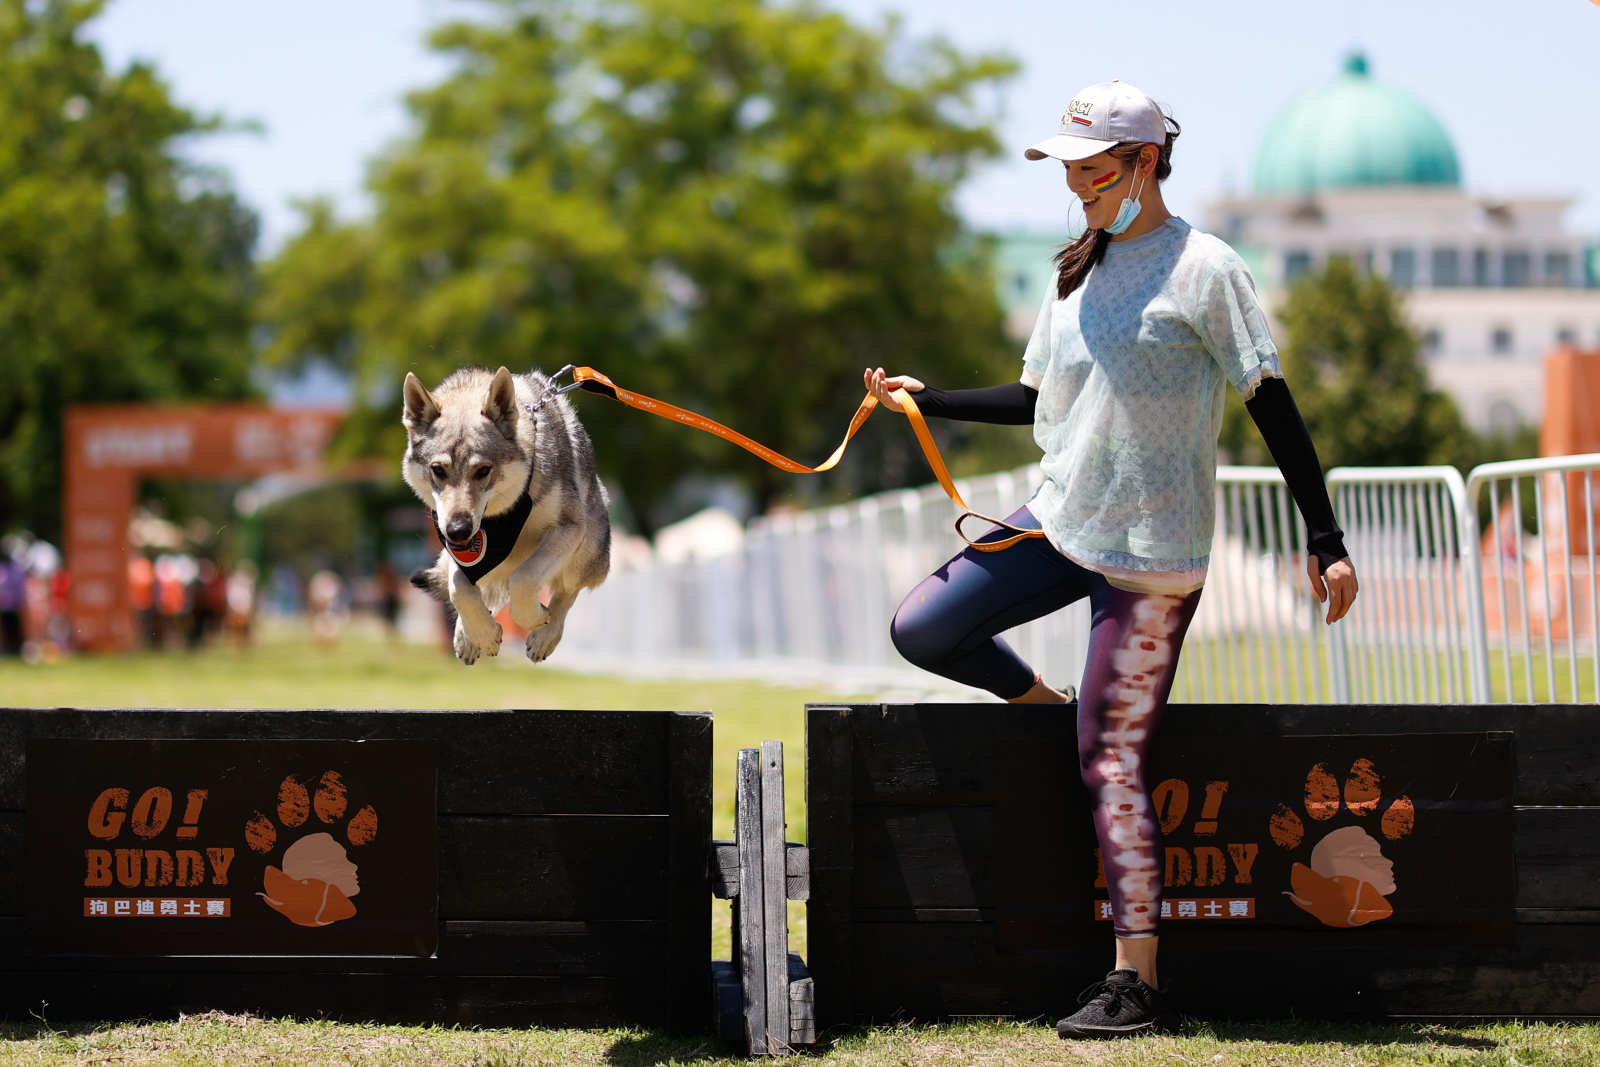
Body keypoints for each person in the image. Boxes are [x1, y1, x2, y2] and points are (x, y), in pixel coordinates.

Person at [863, 79, 1359, 1040]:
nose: (1077, 189)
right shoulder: (1073, 275)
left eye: (1090, 171)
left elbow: (1271, 404)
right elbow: (1032, 398)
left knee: (1112, 758)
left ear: (1142, 164)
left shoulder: (1208, 270)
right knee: (923, 625)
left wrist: (1325, 537)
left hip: (1154, 555)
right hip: (1057, 519)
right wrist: (932, 401)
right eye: (1070, 173)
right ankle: (1055, 713)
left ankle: (1137, 979)